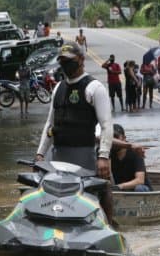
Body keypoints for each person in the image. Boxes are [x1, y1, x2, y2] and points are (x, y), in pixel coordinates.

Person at [35, 41, 114, 223]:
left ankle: (109, 225)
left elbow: (106, 125)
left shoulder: (94, 88)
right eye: (62, 61)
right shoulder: (58, 88)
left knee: (102, 188)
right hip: (58, 155)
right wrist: (40, 154)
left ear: (81, 59)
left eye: (69, 60)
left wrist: (103, 156)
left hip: (84, 155)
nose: (65, 65)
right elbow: (50, 124)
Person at [110, 124, 152, 192]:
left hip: (141, 189)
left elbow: (140, 180)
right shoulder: (107, 154)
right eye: (111, 138)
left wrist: (120, 186)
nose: (114, 142)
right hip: (121, 190)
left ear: (124, 138)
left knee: (139, 188)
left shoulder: (135, 151)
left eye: (116, 137)